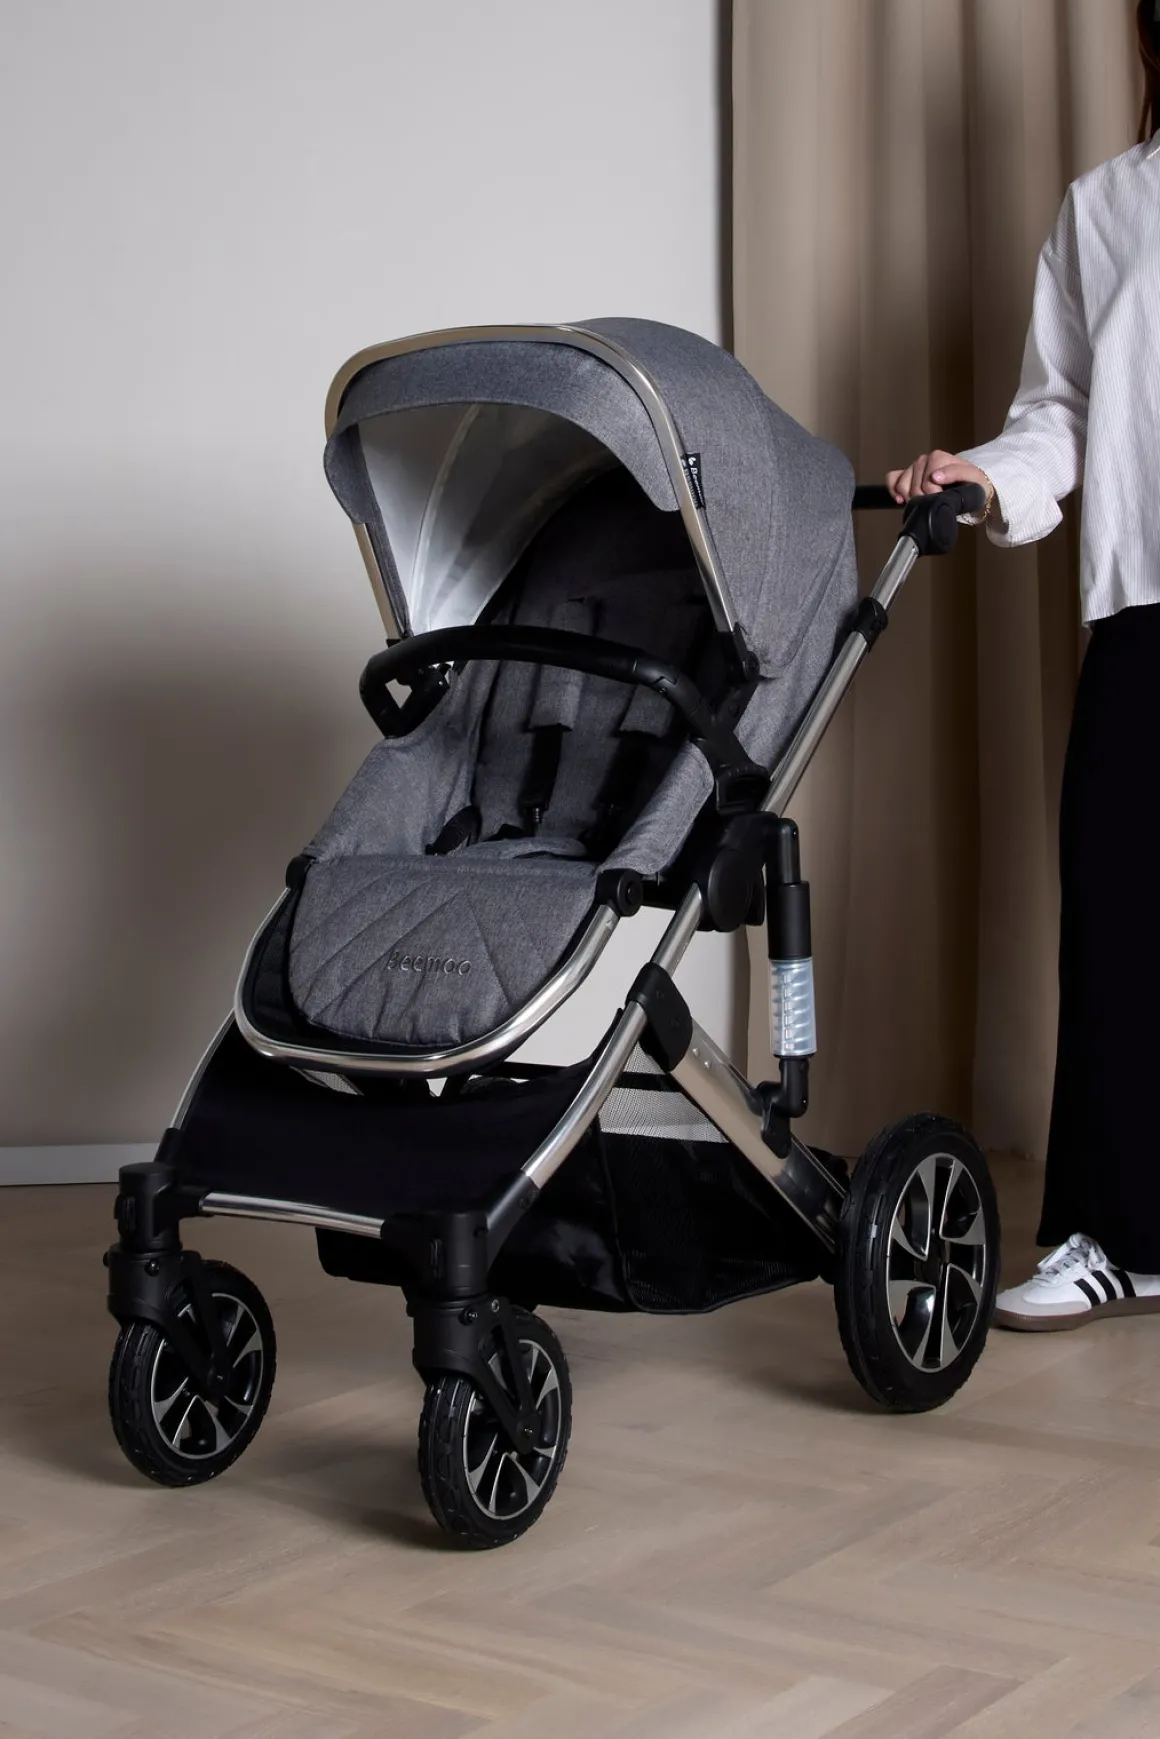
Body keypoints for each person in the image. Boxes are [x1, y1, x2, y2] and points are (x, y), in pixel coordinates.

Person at [887, 0, 1160, 1332]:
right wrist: (984, 477)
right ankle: (1124, 1238)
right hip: (1149, 604)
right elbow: (1057, 412)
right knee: (1120, 919)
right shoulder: (1105, 208)